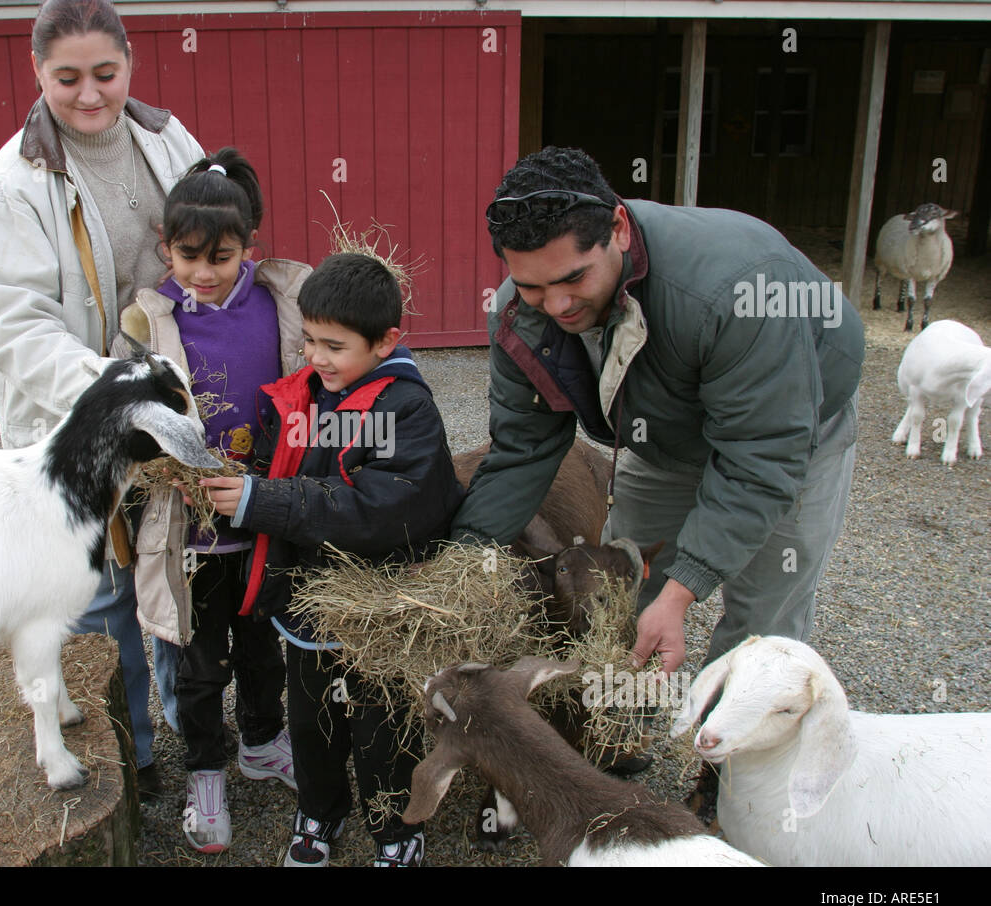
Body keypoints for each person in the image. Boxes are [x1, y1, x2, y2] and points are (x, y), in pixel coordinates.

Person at [452, 144, 863, 696]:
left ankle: (728, 768)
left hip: (789, 434)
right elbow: (524, 446)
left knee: (764, 612)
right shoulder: (517, 311)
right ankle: (627, 724)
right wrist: (462, 555)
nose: (555, 306)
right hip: (662, 434)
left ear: (618, 228)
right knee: (624, 586)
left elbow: (760, 457)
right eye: (532, 286)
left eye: (574, 278)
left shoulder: (739, 288)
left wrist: (683, 590)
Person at [0, 0, 204, 802]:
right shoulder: (11, 190)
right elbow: (12, 324)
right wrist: (112, 396)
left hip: (170, 406)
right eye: (68, 78)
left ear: (130, 61)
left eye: (105, 73)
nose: (90, 95)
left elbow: (212, 249)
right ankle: (128, 753)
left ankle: (191, 727)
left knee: (174, 565)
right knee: (97, 595)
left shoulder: (170, 142)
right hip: (81, 422)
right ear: (37, 75)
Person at [202, 252, 465, 866]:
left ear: (386, 342)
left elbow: (377, 509)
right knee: (314, 721)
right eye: (309, 341)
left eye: (334, 346)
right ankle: (319, 811)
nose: (316, 358)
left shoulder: (406, 411)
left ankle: (396, 828)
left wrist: (261, 500)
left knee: (384, 727)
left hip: (382, 608)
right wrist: (231, 482)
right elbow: (274, 467)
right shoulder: (308, 397)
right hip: (310, 605)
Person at [110, 147, 305, 852]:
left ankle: (260, 741)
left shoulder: (282, 302)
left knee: (261, 647)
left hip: (261, 516)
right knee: (197, 661)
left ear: (248, 247)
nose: (203, 271)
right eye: (187, 256)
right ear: (166, 248)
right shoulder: (149, 320)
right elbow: (130, 416)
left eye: (220, 256)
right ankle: (205, 775)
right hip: (189, 529)